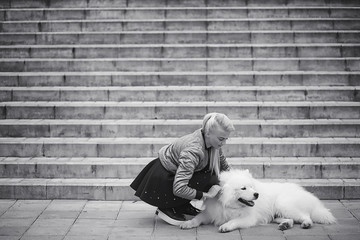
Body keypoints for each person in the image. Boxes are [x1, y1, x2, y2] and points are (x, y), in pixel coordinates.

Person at [130, 112, 235, 226]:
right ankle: (168, 207)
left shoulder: (212, 143)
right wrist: (207, 195)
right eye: (221, 139)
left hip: (172, 175)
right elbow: (179, 187)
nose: (224, 143)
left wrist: (239, 182)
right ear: (208, 133)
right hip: (161, 182)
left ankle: (181, 205)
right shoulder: (193, 150)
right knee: (208, 177)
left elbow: (224, 166)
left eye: (226, 139)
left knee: (213, 174)